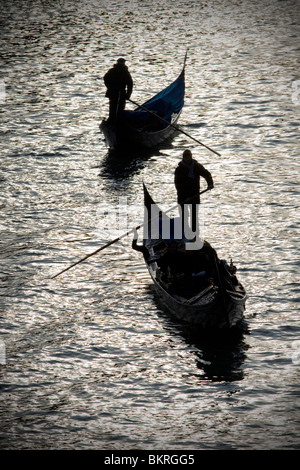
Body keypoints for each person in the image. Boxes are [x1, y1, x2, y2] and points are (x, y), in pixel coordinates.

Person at [174, 149, 214, 237]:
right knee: (184, 216)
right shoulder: (179, 169)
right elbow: (178, 185)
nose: (188, 159)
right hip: (182, 196)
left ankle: (195, 234)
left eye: (189, 157)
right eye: (186, 157)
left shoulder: (197, 166)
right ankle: (185, 233)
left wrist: (210, 183)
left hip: (195, 195)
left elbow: (206, 174)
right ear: (184, 158)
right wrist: (185, 197)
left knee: (194, 216)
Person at [103, 57, 133, 123]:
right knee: (116, 107)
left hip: (118, 93)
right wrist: (110, 87)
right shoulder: (122, 71)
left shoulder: (116, 71)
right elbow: (106, 79)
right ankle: (114, 121)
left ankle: (115, 120)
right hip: (116, 93)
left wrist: (128, 95)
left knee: (115, 107)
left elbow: (130, 84)